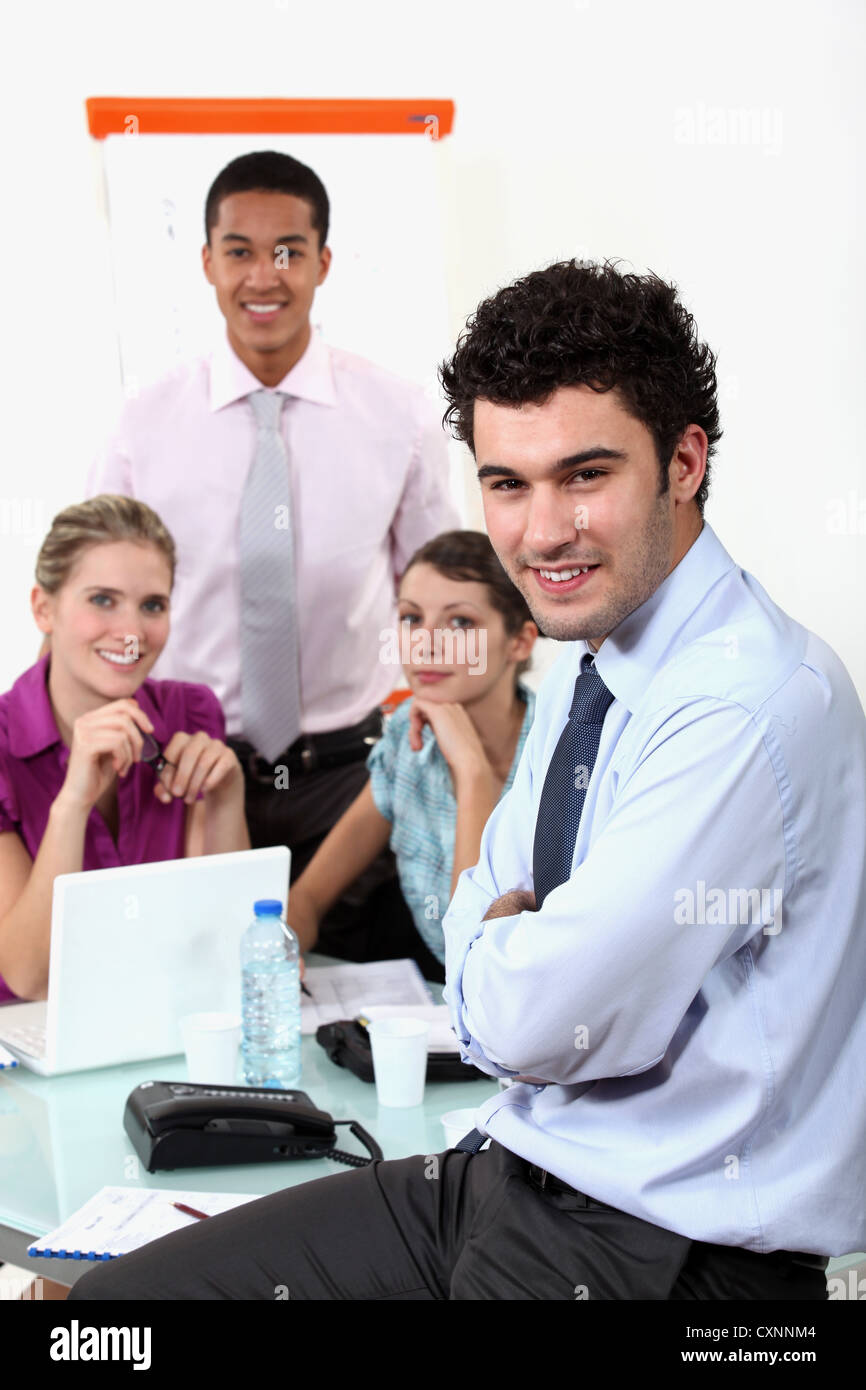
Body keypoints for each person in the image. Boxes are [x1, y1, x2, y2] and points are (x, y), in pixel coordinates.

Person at [70, 260, 866, 1302]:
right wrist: (507, 937)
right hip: (503, 1169)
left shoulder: (745, 701)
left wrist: (499, 942)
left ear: (682, 461)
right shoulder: (591, 654)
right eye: (505, 482)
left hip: (663, 1250)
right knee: (114, 1314)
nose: (538, 534)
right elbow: (482, 924)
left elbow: (529, 1018)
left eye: (584, 476)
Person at [86, 149, 460, 963]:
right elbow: (95, 597)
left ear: (324, 262)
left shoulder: (396, 413)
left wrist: (458, 734)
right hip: (182, 774)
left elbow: (441, 592)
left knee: (368, 1008)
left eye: (289, 250)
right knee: (194, 1004)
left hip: (349, 781)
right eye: (241, 251)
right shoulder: (143, 421)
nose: (266, 275)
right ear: (207, 263)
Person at [0, 495, 248, 1002]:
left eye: (152, 605)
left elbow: (229, 944)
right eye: (102, 600)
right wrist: (72, 804)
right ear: (43, 608)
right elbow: (32, 977)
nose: (132, 633)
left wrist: (227, 799)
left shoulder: (191, 715)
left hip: (150, 1025)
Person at [287, 530, 538, 981]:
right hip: (442, 1018)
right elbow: (307, 898)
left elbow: (481, 958)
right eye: (411, 618)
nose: (425, 642)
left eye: (460, 622)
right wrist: (277, 950)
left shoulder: (566, 754)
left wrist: (473, 772)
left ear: (519, 641)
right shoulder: (407, 734)